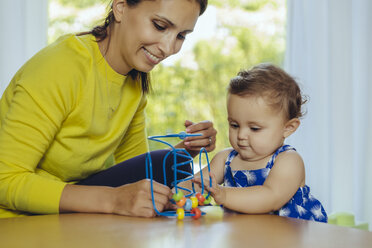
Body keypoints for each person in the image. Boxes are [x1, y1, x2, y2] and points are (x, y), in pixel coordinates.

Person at [0, 0, 217, 218]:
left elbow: (139, 173)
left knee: (171, 163)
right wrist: (112, 200)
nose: (169, 48)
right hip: (17, 219)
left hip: (75, 213)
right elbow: (4, 179)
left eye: (181, 36)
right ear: (120, 7)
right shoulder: (61, 68)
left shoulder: (134, 81)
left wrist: (188, 147)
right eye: (160, 26)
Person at [183, 63, 327, 222]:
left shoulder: (288, 160)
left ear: (288, 128)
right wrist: (174, 194)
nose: (241, 135)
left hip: (291, 238)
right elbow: (197, 183)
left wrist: (224, 194)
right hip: (248, 235)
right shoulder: (225, 159)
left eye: (255, 128)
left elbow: (270, 197)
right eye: (235, 125)